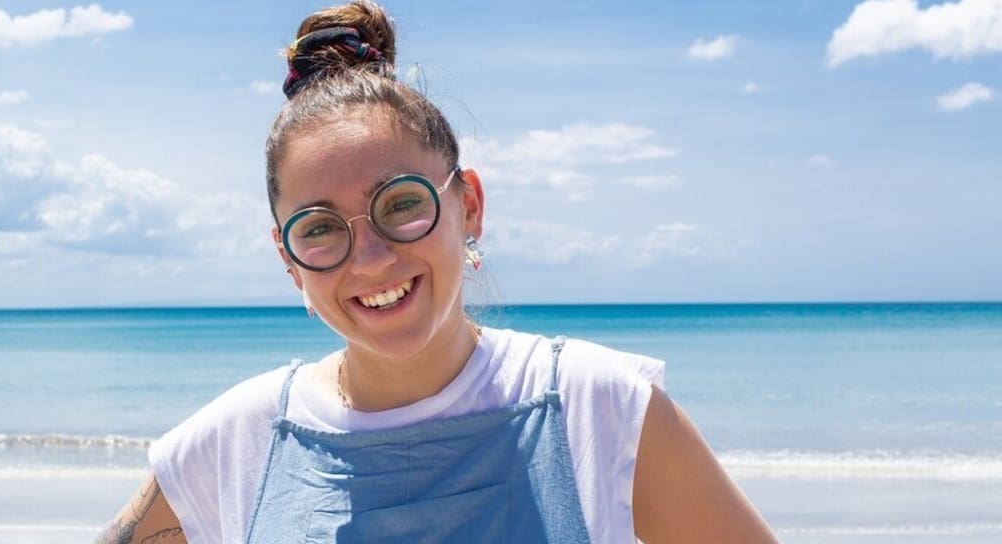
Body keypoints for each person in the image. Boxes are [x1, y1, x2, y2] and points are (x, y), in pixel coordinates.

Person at [97, 1, 778, 543]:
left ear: (468, 205)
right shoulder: (236, 442)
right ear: (288, 260)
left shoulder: (598, 408)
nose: (370, 258)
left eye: (400, 204)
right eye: (321, 228)